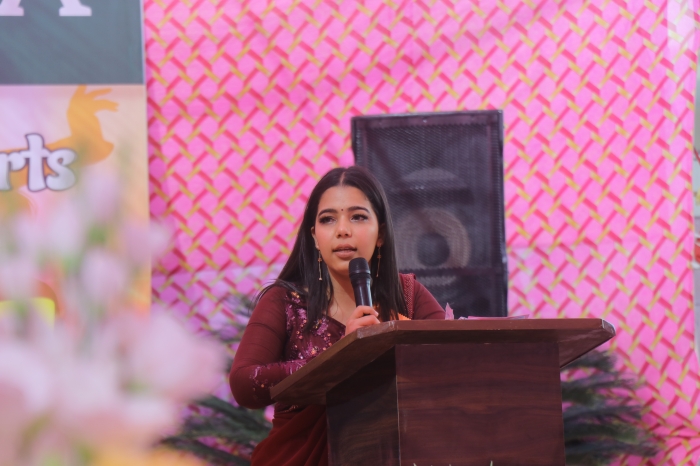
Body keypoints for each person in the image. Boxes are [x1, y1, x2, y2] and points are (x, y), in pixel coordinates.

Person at [229, 166, 445, 466]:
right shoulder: (284, 302)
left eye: (358, 217)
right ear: (315, 237)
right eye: (328, 219)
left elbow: (452, 367)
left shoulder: (408, 296)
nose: (343, 229)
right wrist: (342, 355)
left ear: (381, 234)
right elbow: (244, 385)